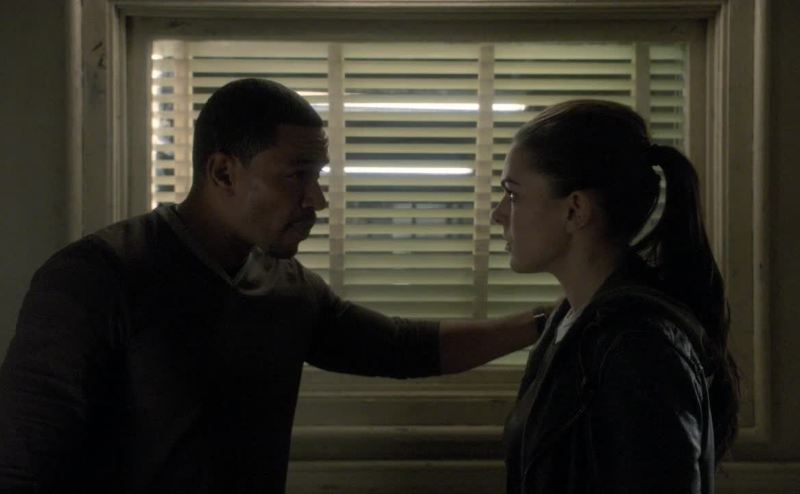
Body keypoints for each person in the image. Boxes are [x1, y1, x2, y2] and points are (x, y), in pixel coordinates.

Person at [0, 78, 544, 493]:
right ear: (223, 172)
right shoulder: (96, 277)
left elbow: (399, 346)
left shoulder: (286, 287)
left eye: (318, 175)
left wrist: (547, 323)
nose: (316, 200)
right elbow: (24, 465)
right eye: (296, 174)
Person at [492, 100, 740, 494]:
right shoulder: (575, 322)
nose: (498, 214)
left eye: (513, 195)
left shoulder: (637, 347)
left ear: (575, 210)